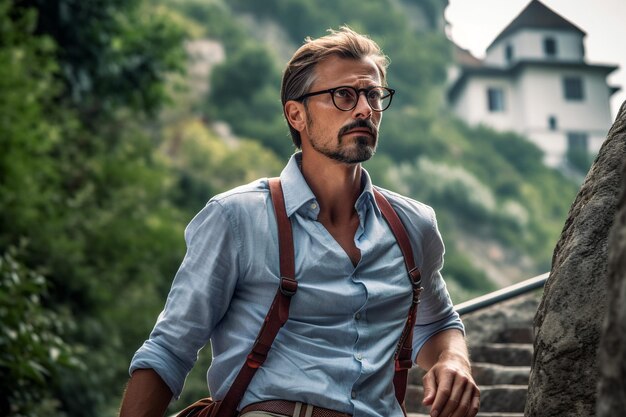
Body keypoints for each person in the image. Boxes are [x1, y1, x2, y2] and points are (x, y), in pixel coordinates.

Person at [119, 26, 479, 417]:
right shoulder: (236, 218)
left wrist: (453, 360)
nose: (364, 109)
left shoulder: (413, 226)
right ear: (297, 114)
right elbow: (170, 349)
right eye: (344, 95)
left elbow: (438, 321)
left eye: (373, 95)